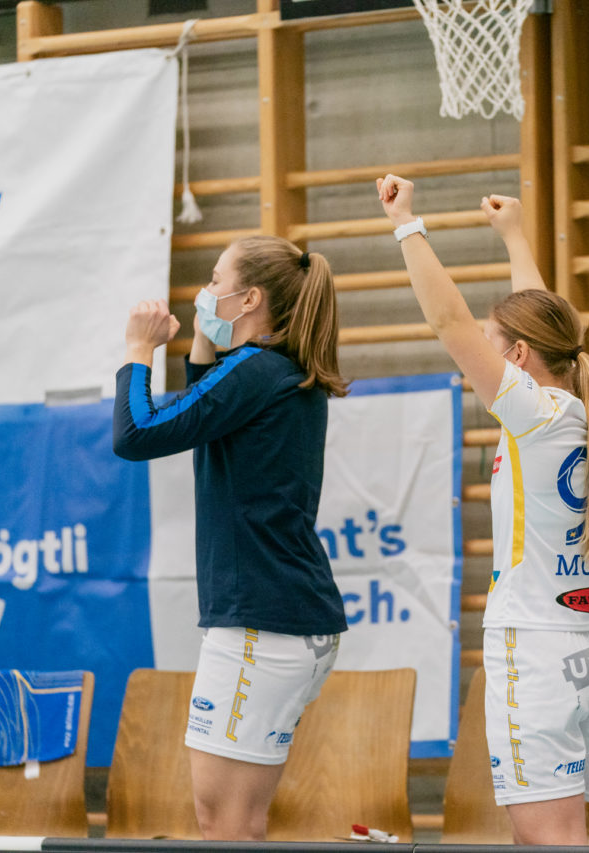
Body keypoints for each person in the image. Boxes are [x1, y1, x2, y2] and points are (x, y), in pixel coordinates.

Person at [376, 174, 589, 846]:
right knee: (553, 836)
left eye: (497, 347)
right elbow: (547, 324)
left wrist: (406, 224)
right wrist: (514, 236)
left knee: (550, 840)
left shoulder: (534, 415)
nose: (485, 356)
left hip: (537, 651)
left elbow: (448, 322)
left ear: (516, 357)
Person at [112, 235, 349, 841]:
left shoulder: (255, 370)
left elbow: (137, 434)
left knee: (224, 824)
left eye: (215, 281)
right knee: (239, 823)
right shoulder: (275, 368)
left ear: (249, 300)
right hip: (283, 622)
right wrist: (201, 339)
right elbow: (209, 408)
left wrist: (138, 351)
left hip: (260, 628)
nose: (204, 291)